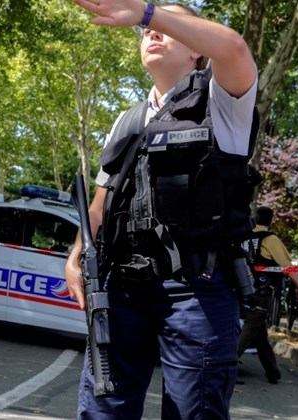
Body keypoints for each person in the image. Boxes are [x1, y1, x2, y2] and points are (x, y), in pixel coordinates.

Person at [66, 1, 259, 418]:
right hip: (123, 289)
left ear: (195, 47)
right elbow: (101, 204)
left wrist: (146, 12)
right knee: (102, 411)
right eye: (145, 31)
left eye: (167, 27)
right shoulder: (128, 120)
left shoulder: (223, 103)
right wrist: (77, 253)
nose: (151, 34)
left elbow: (236, 50)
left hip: (197, 291)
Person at [238, 206, 298, 384]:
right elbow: (288, 267)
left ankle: (273, 372)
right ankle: (225, 366)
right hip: (260, 291)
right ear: (270, 220)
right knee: (251, 327)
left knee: (258, 332)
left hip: (239, 288)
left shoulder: (243, 236)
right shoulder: (270, 239)